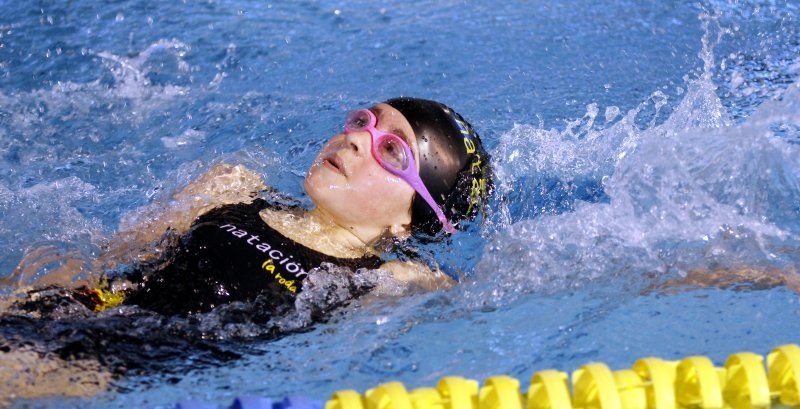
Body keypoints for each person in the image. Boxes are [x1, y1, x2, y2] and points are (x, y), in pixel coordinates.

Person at [40, 96, 494, 316]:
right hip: (74, 309)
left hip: (131, 362)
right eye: (365, 121)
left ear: (407, 221)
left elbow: (474, 304)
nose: (357, 138)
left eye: (392, 150)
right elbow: (105, 261)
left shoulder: (385, 280)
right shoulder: (233, 191)